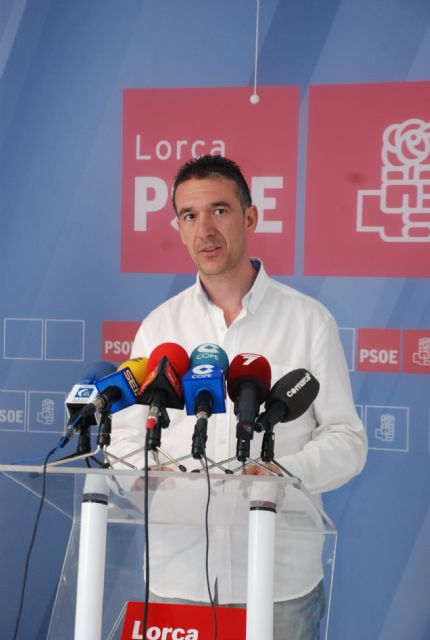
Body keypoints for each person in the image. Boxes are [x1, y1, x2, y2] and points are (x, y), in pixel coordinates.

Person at [108, 155, 368, 639]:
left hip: (278, 580)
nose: (204, 229)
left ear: (250, 217)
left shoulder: (308, 322)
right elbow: (123, 437)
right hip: (176, 576)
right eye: (189, 216)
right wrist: (144, 476)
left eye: (219, 210)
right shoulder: (159, 328)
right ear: (178, 228)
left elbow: (346, 438)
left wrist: (284, 474)